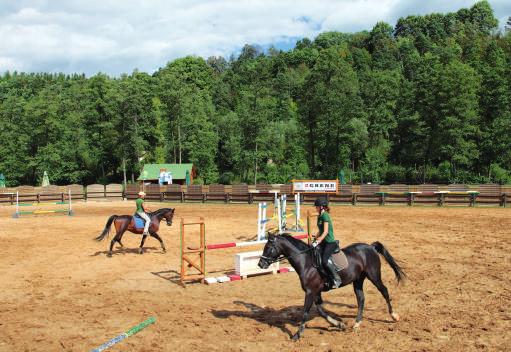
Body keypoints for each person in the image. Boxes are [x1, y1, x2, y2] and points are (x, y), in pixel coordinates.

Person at [312, 197, 342, 288]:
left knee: (324, 261)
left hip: (330, 242)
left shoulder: (325, 216)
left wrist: (318, 241)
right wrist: (315, 239)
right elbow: (320, 231)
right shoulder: (319, 216)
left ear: (321, 207)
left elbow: (325, 232)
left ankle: (337, 279)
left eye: (316, 207)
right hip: (323, 241)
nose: (315, 208)